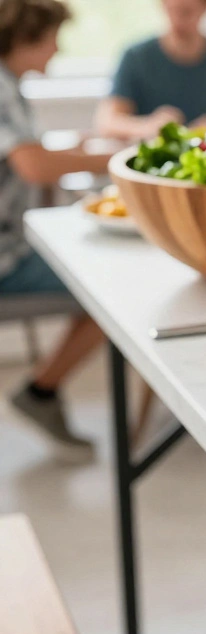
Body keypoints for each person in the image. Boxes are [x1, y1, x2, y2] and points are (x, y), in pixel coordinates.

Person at [1, 0, 111, 461]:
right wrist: (110, 160)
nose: (56, 50)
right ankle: (42, 391)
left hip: (15, 240)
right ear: (25, 38)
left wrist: (77, 150)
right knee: (110, 289)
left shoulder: (12, 85)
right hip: (7, 258)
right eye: (51, 39)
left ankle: (43, 390)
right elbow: (31, 165)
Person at [95, 0, 206, 141]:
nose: (178, 21)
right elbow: (107, 122)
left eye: (186, 12)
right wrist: (148, 126)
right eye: (172, 10)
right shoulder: (136, 57)